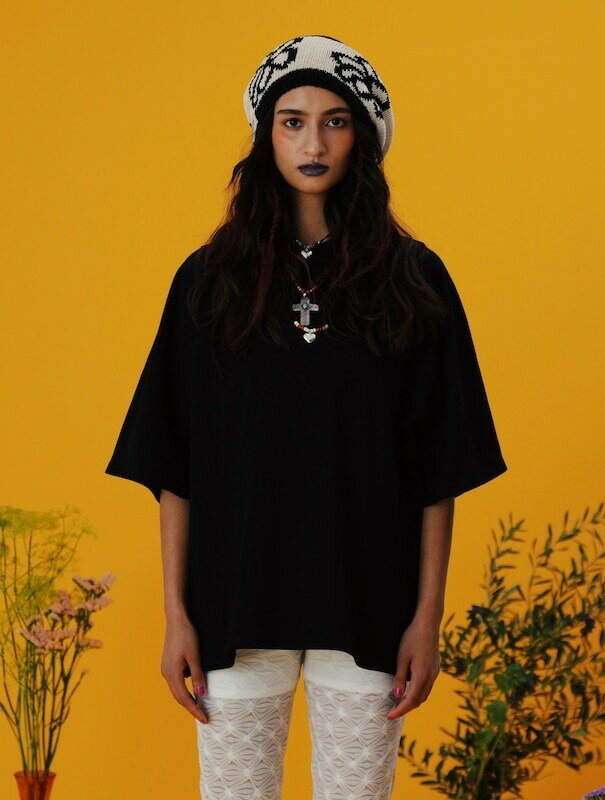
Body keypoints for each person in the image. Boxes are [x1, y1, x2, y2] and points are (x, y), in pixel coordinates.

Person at [105, 34, 508, 800]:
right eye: (293, 122)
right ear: (267, 135)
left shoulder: (414, 280)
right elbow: (174, 466)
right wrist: (176, 616)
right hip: (232, 606)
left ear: (363, 136)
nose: (313, 144)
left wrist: (426, 618)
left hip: (369, 606)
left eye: (334, 122)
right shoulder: (210, 282)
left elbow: (438, 469)